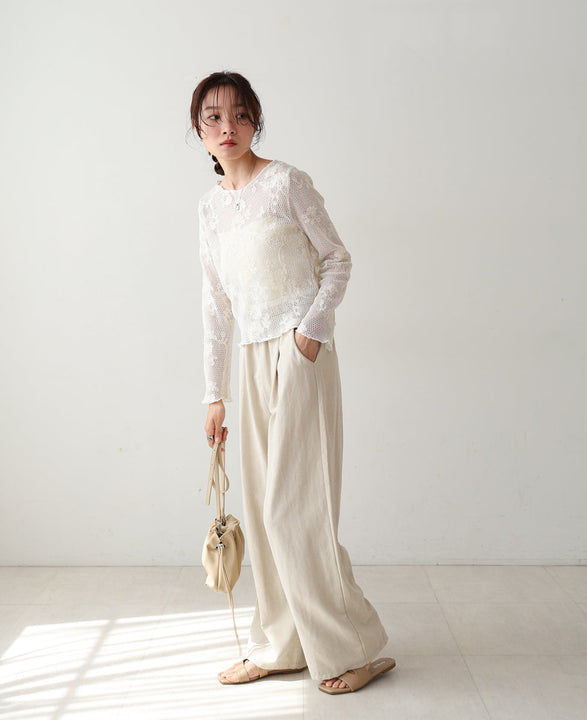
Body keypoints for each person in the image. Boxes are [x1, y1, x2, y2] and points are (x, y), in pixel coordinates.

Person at [190, 70, 395, 695]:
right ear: (198, 130)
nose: (227, 127)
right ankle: (281, 645)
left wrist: (310, 333)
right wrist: (214, 393)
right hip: (249, 359)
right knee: (261, 509)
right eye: (213, 117)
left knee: (295, 507)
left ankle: (356, 647)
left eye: (239, 114)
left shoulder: (286, 183)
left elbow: (337, 258)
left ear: (256, 121)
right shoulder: (209, 208)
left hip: (300, 351)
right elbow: (216, 303)